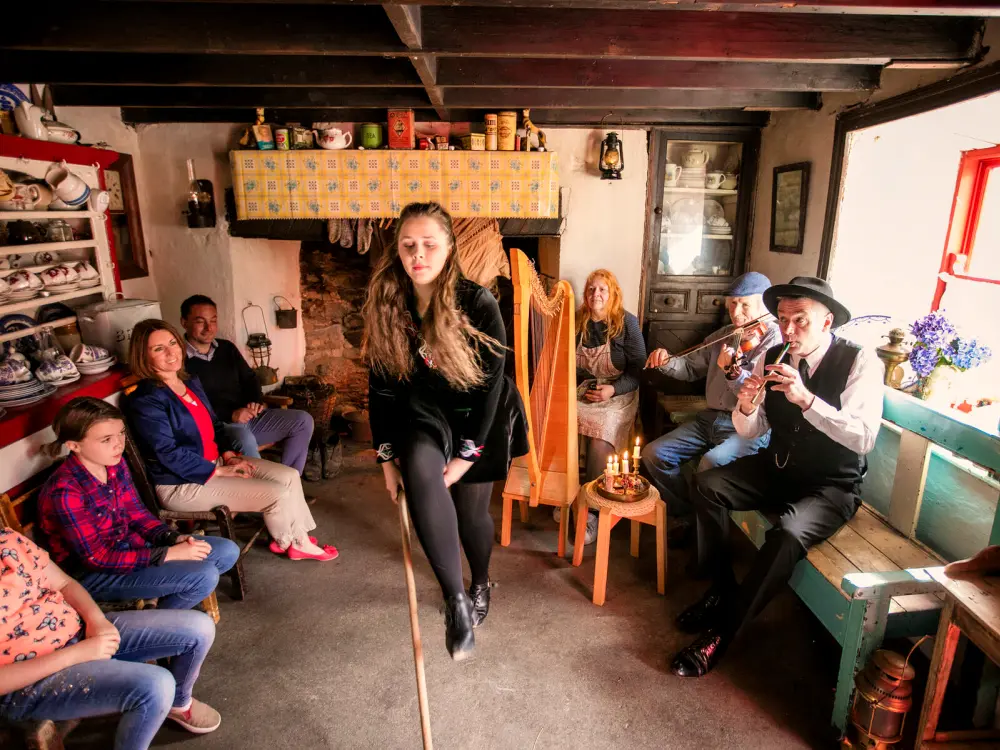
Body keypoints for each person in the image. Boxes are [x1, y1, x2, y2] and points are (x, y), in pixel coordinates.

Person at [670, 277, 883, 677]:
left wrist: (807, 399)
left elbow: (864, 438)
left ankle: (723, 632)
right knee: (706, 484)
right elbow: (753, 429)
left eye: (800, 320)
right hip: (779, 466)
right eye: (783, 319)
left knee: (786, 534)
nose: (788, 330)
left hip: (831, 485)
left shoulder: (860, 363)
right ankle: (720, 590)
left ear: (827, 322)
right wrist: (748, 406)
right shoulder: (773, 355)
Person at [365, 202, 527, 662]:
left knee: (471, 514)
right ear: (397, 250)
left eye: (429, 245)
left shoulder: (478, 303)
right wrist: (385, 459)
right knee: (419, 471)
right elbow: (379, 386)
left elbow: (492, 386)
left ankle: (479, 582)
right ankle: (456, 602)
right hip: (424, 415)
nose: (418, 255)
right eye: (408, 246)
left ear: (449, 248)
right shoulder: (388, 303)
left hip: (480, 414)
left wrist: (466, 455)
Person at [125, 319, 337, 562]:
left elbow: (215, 426)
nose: (171, 352)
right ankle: (293, 542)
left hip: (215, 463)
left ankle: (294, 536)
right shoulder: (146, 400)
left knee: (288, 476)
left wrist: (228, 455)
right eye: (158, 348)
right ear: (143, 356)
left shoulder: (189, 382)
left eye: (173, 343)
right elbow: (167, 452)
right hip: (182, 483)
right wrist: (219, 472)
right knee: (277, 493)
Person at [0, 527, 221, 749]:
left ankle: (178, 704)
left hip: (78, 631)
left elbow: (63, 583)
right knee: (156, 686)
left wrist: (97, 621)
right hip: (31, 678)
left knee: (200, 628)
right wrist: (76, 654)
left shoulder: (8, 539)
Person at [39, 397, 240, 609]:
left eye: (121, 433)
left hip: (133, 548)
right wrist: (168, 554)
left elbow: (137, 514)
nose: (119, 444)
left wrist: (172, 538)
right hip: (95, 574)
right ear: (74, 445)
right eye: (106, 439)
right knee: (204, 575)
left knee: (226, 551)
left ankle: (159, 594)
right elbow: (96, 558)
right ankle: (161, 621)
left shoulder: (114, 464)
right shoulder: (65, 491)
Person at [640, 272, 780, 545]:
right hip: (710, 419)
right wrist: (666, 360)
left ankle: (708, 540)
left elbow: (753, 398)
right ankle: (689, 516)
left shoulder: (773, 344)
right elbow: (690, 367)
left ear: (763, 304)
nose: (736, 313)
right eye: (732, 304)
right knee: (654, 454)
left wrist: (731, 371)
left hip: (748, 428)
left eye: (744, 305)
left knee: (710, 465)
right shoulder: (726, 336)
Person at [180, 294, 315, 475]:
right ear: (184, 322)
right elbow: (189, 404)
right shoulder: (178, 359)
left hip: (250, 417)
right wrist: (231, 414)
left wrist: (255, 401)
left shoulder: (226, 348)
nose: (209, 328)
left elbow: (250, 378)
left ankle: (290, 483)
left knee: (303, 421)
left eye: (213, 320)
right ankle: (264, 489)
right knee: (245, 438)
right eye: (200, 321)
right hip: (220, 427)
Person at [567, 268, 646, 545]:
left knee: (601, 434)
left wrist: (612, 389)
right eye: (591, 289)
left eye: (602, 289)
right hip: (587, 390)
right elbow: (571, 366)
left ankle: (593, 510)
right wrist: (583, 387)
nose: (596, 294)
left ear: (613, 294)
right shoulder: (576, 321)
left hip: (620, 391)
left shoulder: (627, 323)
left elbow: (639, 370)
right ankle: (568, 495)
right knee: (560, 419)